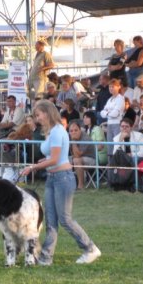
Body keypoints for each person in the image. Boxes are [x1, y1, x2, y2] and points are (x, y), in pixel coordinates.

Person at [19, 100, 101, 265]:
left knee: (65, 219)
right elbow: (53, 156)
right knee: (51, 220)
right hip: (52, 179)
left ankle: (90, 248)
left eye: (38, 115)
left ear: (48, 113)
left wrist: (34, 167)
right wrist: (44, 160)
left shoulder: (57, 131)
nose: (37, 118)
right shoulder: (51, 132)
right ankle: (46, 257)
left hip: (63, 178)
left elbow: (56, 159)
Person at [67, 119, 96, 190]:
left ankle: (81, 186)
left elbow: (78, 155)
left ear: (80, 130)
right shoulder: (68, 136)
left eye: (76, 130)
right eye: (71, 131)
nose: (73, 132)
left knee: (76, 160)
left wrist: (73, 141)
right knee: (61, 160)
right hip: (76, 157)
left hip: (91, 159)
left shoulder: (85, 138)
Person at [100, 78, 125, 157]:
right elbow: (102, 112)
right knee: (110, 147)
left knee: (117, 146)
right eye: (110, 87)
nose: (111, 88)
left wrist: (107, 112)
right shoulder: (109, 99)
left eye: (113, 86)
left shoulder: (120, 98)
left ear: (118, 87)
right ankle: (111, 167)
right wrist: (109, 112)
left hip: (117, 124)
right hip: (109, 124)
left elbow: (116, 113)